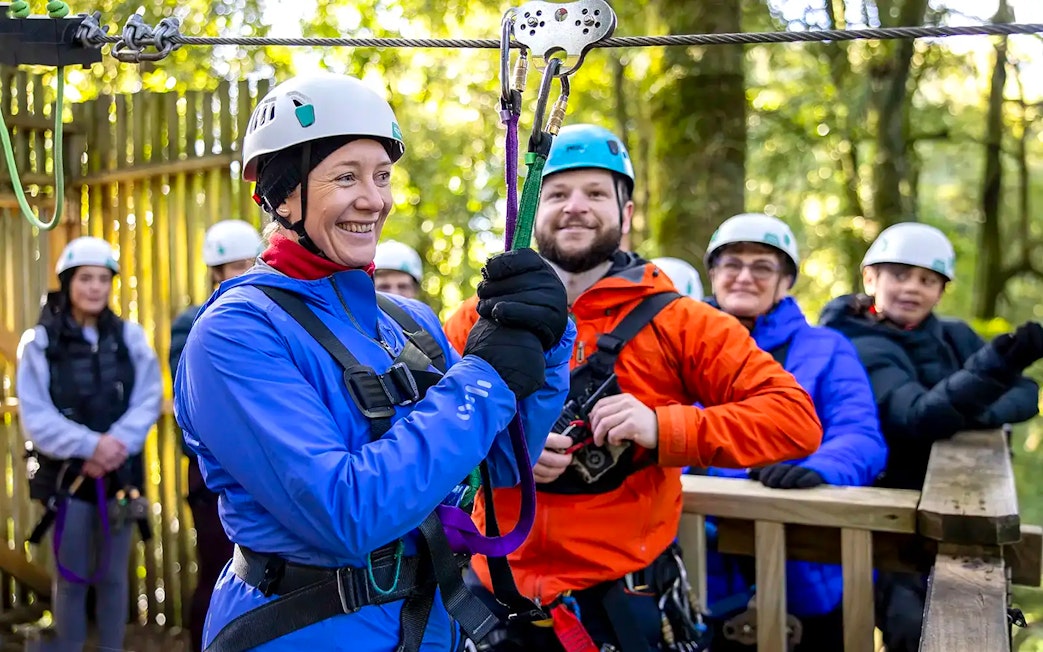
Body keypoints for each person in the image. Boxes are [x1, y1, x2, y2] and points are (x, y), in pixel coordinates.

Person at [173, 71, 575, 651]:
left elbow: (499, 469)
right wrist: (483, 381)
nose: (374, 199)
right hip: (305, 631)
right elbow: (344, 514)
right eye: (345, 177)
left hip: (428, 625)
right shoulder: (235, 335)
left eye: (382, 176)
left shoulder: (407, 322)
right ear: (283, 194)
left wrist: (543, 342)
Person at [442, 123, 824, 652]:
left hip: (623, 600)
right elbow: (414, 434)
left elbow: (793, 420)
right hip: (492, 593)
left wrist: (662, 426)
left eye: (596, 193)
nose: (575, 206)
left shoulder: (680, 322)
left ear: (626, 214)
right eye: (557, 193)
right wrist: (504, 454)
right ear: (533, 210)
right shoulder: (477, 321)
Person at [819, 221, 1042, 651]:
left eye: (927, 280)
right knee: (911, 627)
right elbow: (917, 417)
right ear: (871, 278)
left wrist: (968, 412)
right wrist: (993, 372)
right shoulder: (852, 341)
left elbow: (1027, 394)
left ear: (941, 291)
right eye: (899, 275)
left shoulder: (952, 334)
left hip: (952, 508)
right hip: (883, 511)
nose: (912, 289)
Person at [694, 213, 886, 651]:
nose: (744, 276)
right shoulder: (677, 346)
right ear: (713, 274)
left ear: (786, 281)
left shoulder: (826, 348)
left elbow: (860, 435)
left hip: (808, 564)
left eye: (762, 266)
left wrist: (820, 470)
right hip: (701, 569)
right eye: (731, 264)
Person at [16, 236, 161, 652]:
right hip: (69, 484)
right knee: (72, 575)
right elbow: (38, 418)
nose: (95, 287)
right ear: (67, 282)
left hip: (121, 479)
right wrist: (91, 447)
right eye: (85, 279)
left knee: (115, 577)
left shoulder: (130, 338)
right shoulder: (39, 344)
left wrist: (114, 445)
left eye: (103, 279)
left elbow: (148, 398)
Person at [170, 218, 262, 652]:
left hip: (259, 466)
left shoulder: (267, 312)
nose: (244, 273)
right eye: (234, 267)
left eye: (251, 264)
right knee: (216, 567)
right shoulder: (197, 322)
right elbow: (195, 403)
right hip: (213, 472)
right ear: (215, 272)